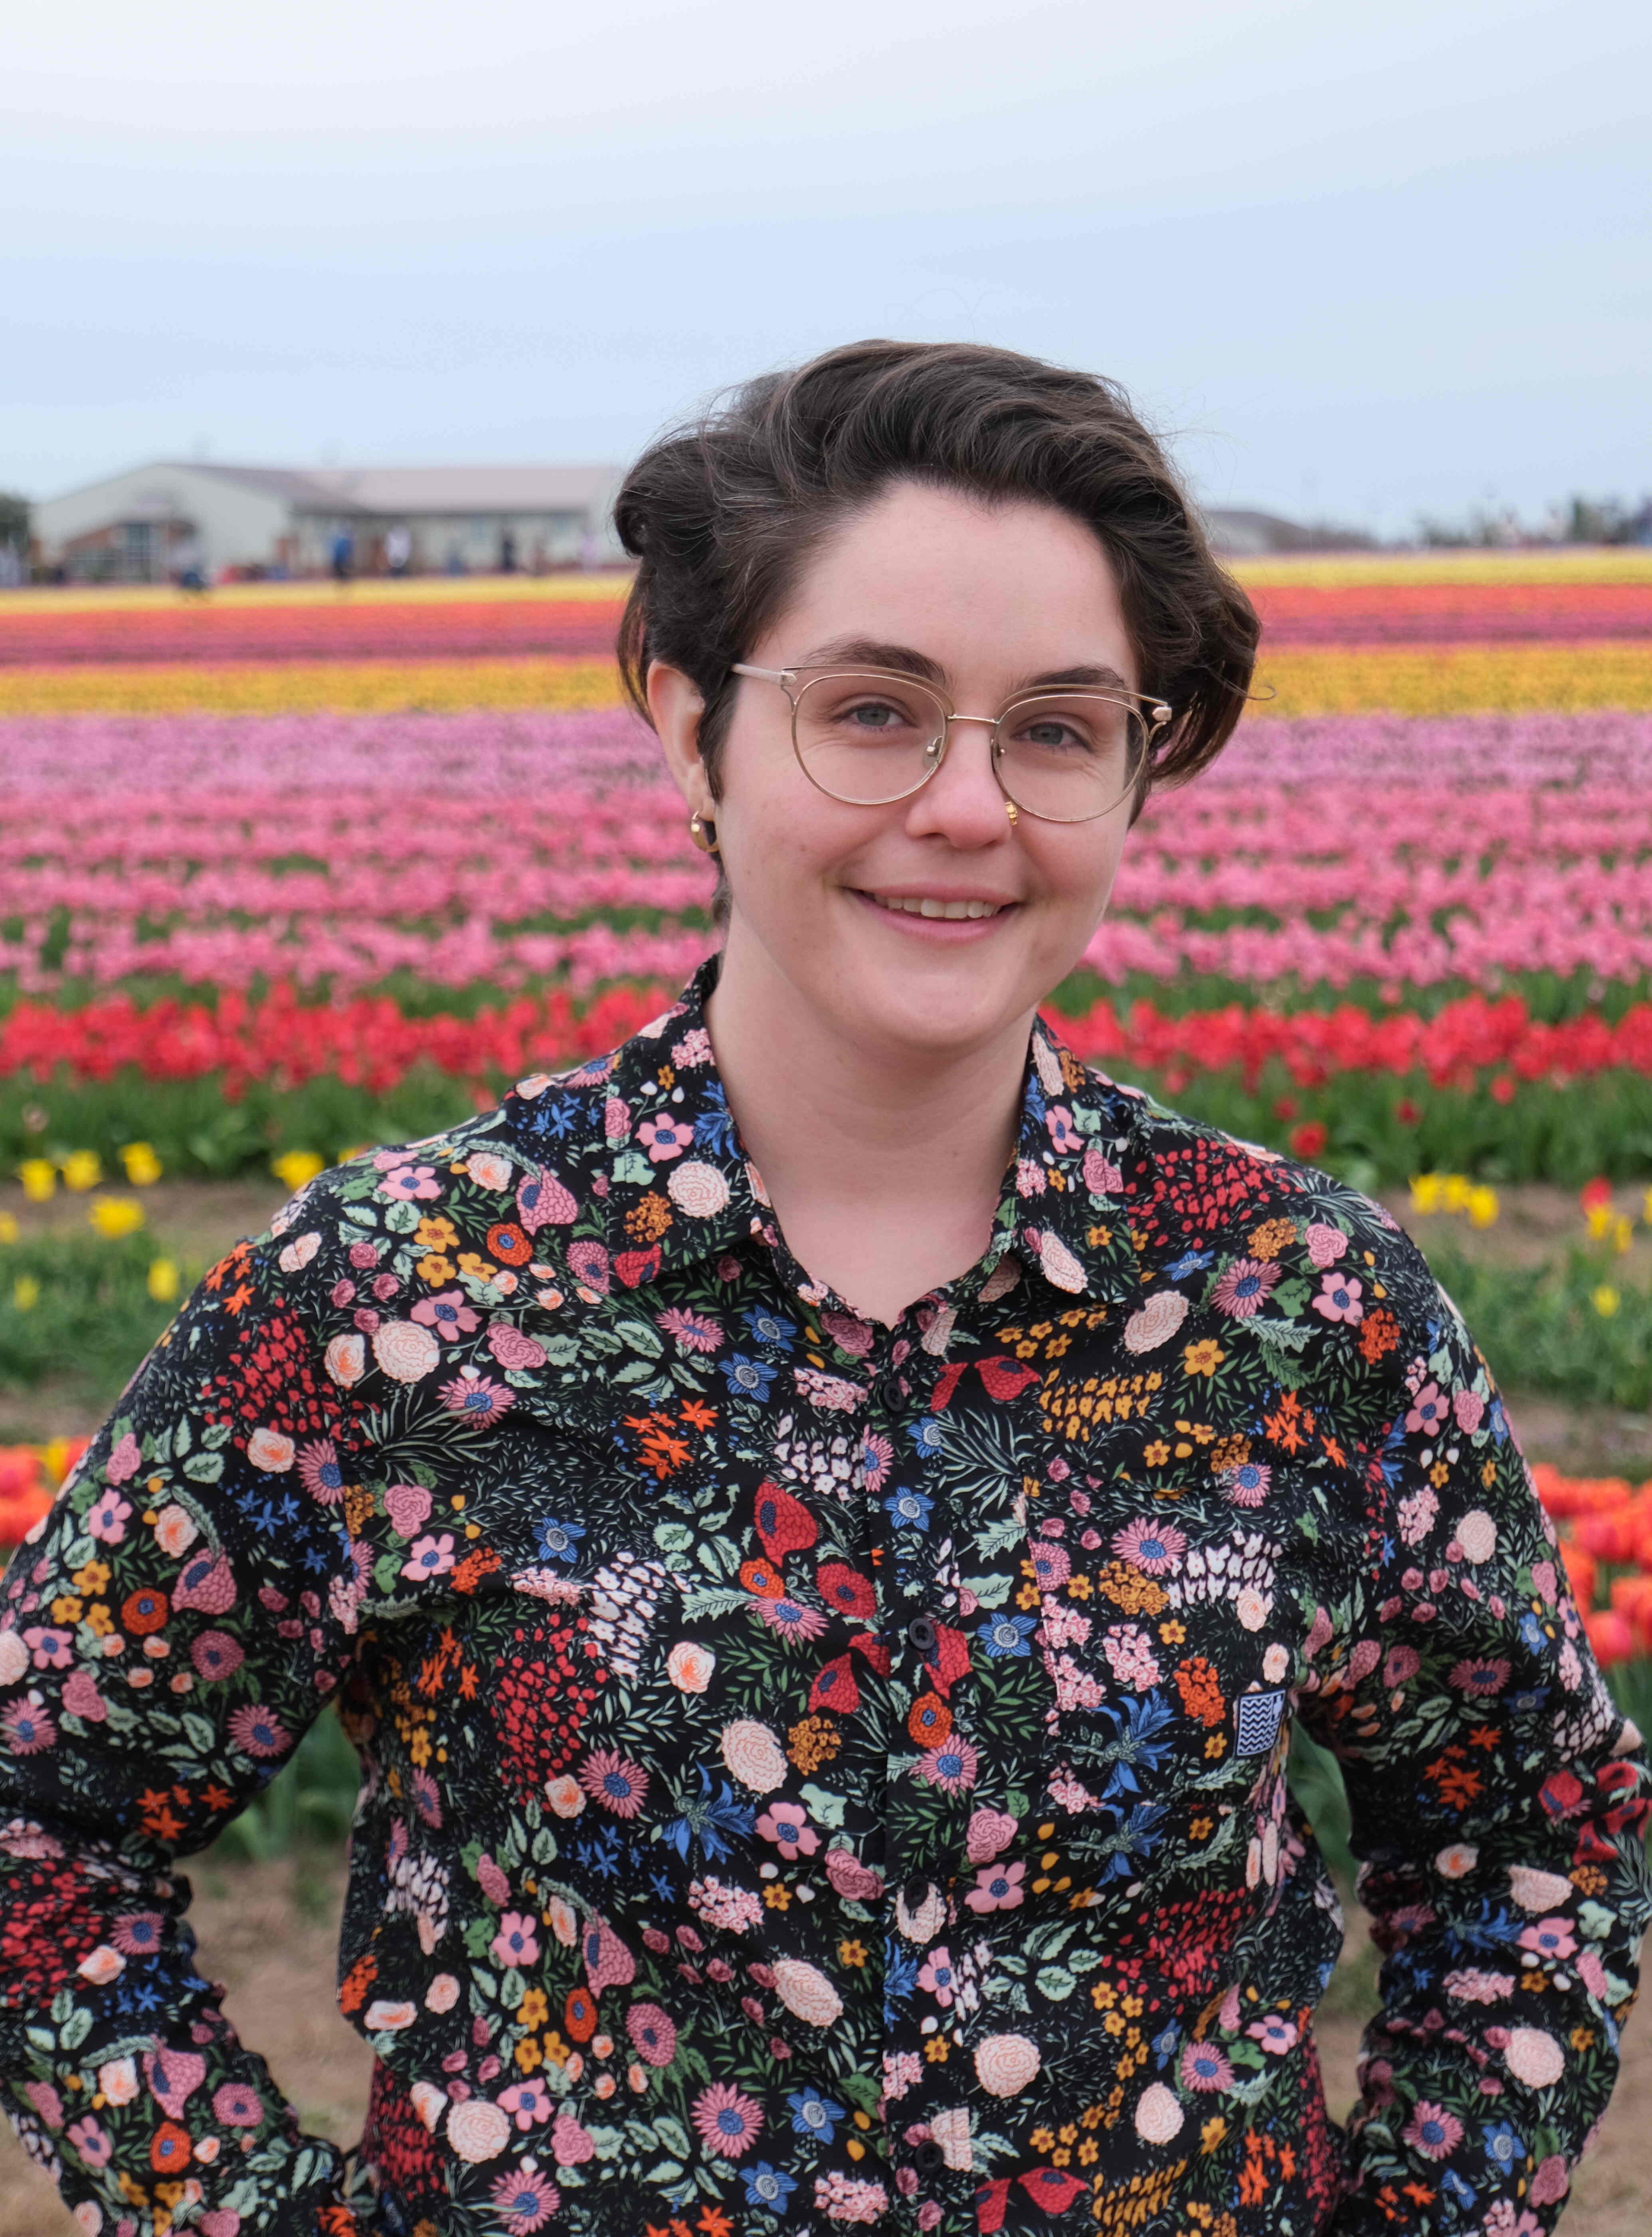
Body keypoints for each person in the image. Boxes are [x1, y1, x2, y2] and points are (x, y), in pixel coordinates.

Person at [1, 342, 1646, 2237]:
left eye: (1056, 726)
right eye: (872, 712)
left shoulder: (1301, 1309)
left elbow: (1539, 1837)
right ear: (688, 724)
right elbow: (47, 1817)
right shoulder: (405, 1298)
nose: (966, 807)